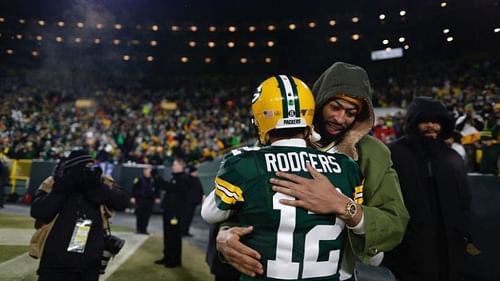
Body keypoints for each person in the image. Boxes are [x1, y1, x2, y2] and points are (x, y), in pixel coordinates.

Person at [216, 62, 409, 280]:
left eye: (351, 113)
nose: (340, 119)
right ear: (317, 102)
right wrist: (225, 234)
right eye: (335, 107)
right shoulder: (278, 139)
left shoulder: (372, 153)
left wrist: (343, 206)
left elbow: (394, 222)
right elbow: (242, 204)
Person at [202, 75, 364, 281]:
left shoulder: (244, 163)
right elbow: (367, 241)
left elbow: (210, 214)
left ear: (261, 118)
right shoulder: (346, 166)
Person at [384, 97, 471, 281]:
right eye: (425, 121)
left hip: (450, 247)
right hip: (409, 248)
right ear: (414, 122)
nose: (431, 126)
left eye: (436, 122)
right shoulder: (393, 153)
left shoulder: (453, 157)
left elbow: (464, 201)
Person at [30, 149, 128, 281]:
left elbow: (121, 202)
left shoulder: (101, 181)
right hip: (56, 259)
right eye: (81, 168)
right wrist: (64, 185)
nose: (85, 172)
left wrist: (97, 187)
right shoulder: (53, 182)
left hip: (89, 261)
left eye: (88, 167)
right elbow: (39, 212)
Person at [154, 158, 189, 268]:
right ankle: (167, 257)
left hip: (175, 214)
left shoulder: (183, 179)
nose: (173, 166)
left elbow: (172, 189)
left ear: (181, 166)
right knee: (168, 236)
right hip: (169, 212)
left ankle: (175, 260)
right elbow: (168, 188)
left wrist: (157, 178)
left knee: (174, 237)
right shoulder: (176, 178)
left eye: (175, 164)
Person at [130, 166, 161, 234]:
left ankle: (144, 229)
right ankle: (138, 229)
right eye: (147, 171)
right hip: (141, 199)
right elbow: (134, 188)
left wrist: (158, 197)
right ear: (144, 171)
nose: (148, 173)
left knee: (147, 215)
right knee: (139, 215)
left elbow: (157, 189)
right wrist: (133, 197)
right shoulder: (139, 179)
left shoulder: (154, 180)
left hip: (150, 200)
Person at [182, 165, 204, 236]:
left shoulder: (196, 179)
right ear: (192, 172)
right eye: (195, 171)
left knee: (189, 218)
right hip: (187, 202)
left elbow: (200, 189)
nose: (197, 173)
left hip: (194, 202)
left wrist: (201, 197)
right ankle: (182, 232)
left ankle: (186, 231)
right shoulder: (187, 179)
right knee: (185, 217)